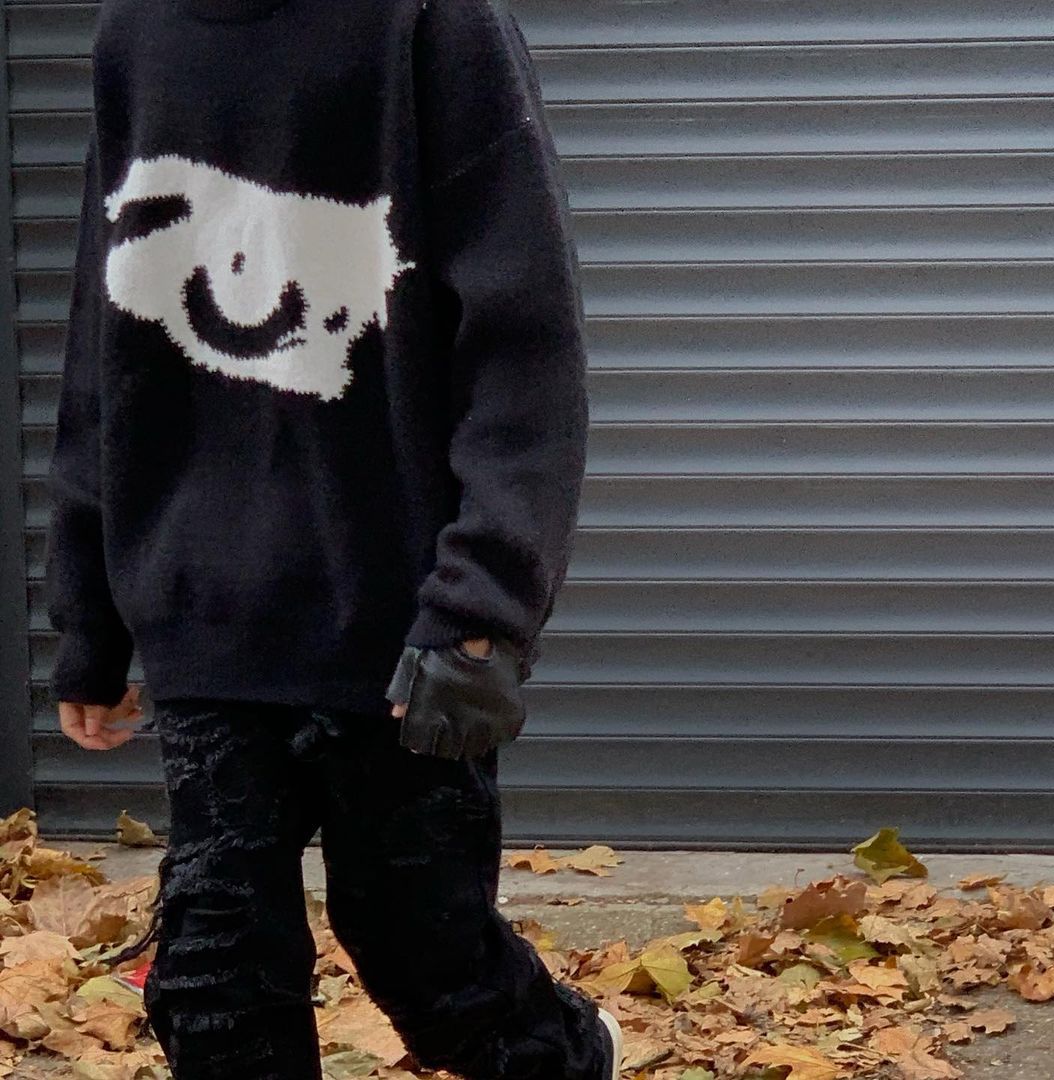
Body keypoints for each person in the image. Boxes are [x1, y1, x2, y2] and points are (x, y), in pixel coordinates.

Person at [44, 0, 624, 1076]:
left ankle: (571, 1057)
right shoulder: (137, 36)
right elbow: (107, 329)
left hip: (399, 619)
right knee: (215, 979)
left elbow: (524, 336)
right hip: (205, 606)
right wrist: (89, 612)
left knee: (433, 966)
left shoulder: (433, 24)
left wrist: (485, 602)